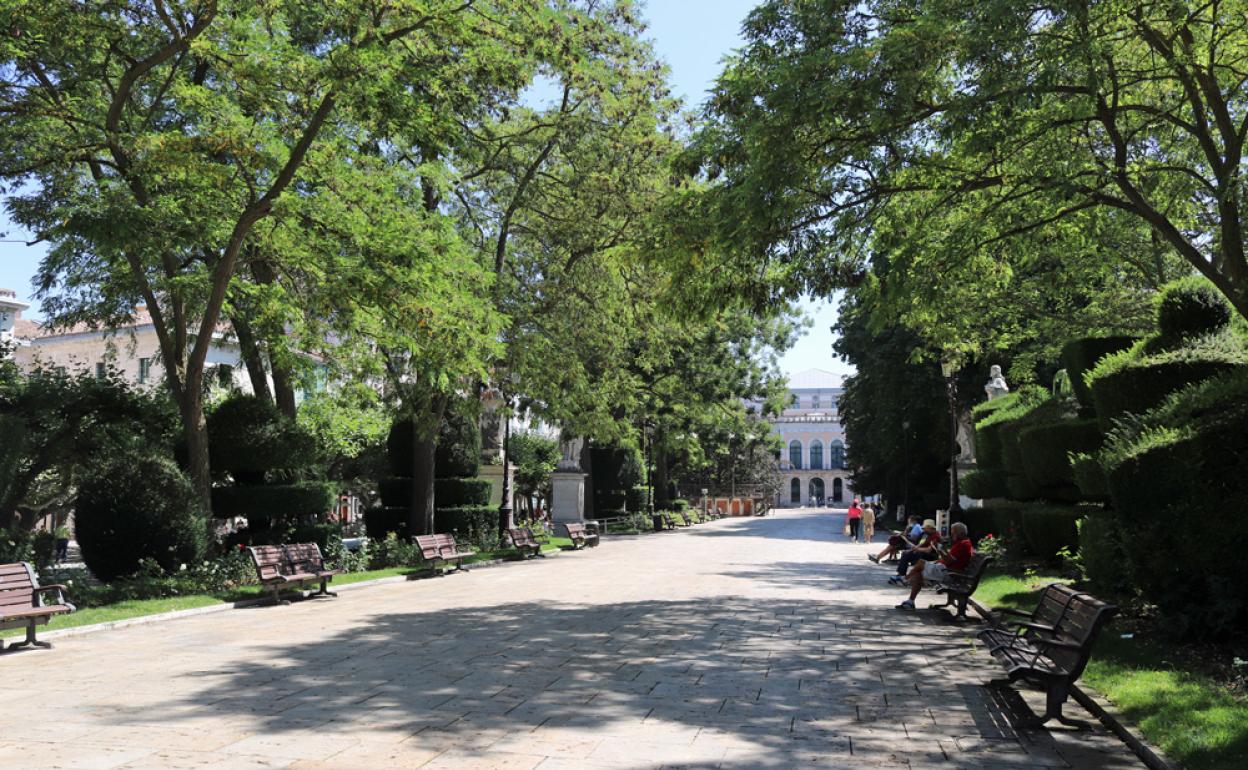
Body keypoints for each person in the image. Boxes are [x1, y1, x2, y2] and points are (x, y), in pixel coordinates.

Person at [896, 522, 973, 610]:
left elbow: (948, 561)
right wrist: (938, 552)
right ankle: (910, 601)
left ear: (960, 533)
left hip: (949, 573)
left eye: (953, 532)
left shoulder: (963, 544)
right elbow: (949, 559)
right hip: (947, 570)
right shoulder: (963, 543)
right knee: (918, 573)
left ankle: (905, 580)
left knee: (921, 562)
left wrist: (941, 550)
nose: (952, 535)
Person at [887, 520, 942, 584]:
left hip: (930, 555)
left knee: (908, 555)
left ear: (929, 527)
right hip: (922, 552)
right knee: (906, 553)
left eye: (925, 528)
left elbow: (928, 550)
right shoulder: (926, 534)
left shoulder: (936, 536)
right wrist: (912, 549)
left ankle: (903, 577)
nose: (923, 530)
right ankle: (901, 575)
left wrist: (917, 549)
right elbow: (921, 543)